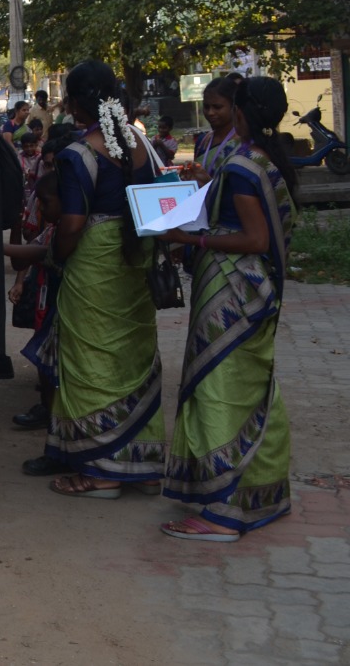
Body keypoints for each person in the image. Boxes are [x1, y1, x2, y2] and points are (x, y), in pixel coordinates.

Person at [160, 77, 297, 541]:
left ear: (240, 111)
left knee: (220, 389)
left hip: (232, 292)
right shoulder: (266, 159)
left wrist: (191, 239)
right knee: (254, 390)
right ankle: (261, 495)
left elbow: (254, 238)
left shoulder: (241, 166)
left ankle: (222, 513)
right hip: (255, 291)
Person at [29, 59, 166, 495]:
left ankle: (100, 472)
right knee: (132, 358)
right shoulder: (140, 144)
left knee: (91, 362)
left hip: (94, 267)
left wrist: (56, 256)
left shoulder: (78, 154)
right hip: (135, 260)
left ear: (74, 103)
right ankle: (141, 463)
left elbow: (72, 224)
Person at [7, 170, 63, 431]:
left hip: (62, 307)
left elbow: (39, 253)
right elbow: (22, 259)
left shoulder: (69, 233)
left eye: (46, 202)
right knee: (44, 356)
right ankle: (48, 410)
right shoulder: (51, 230)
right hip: (46, 301)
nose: (40, 208)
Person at [185, 73, 241, 184]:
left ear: (233, 107)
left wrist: (209, 184)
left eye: (217, 107)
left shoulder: (242, 143)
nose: (210, 112)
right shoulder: (202, 142)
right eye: (206, 107)